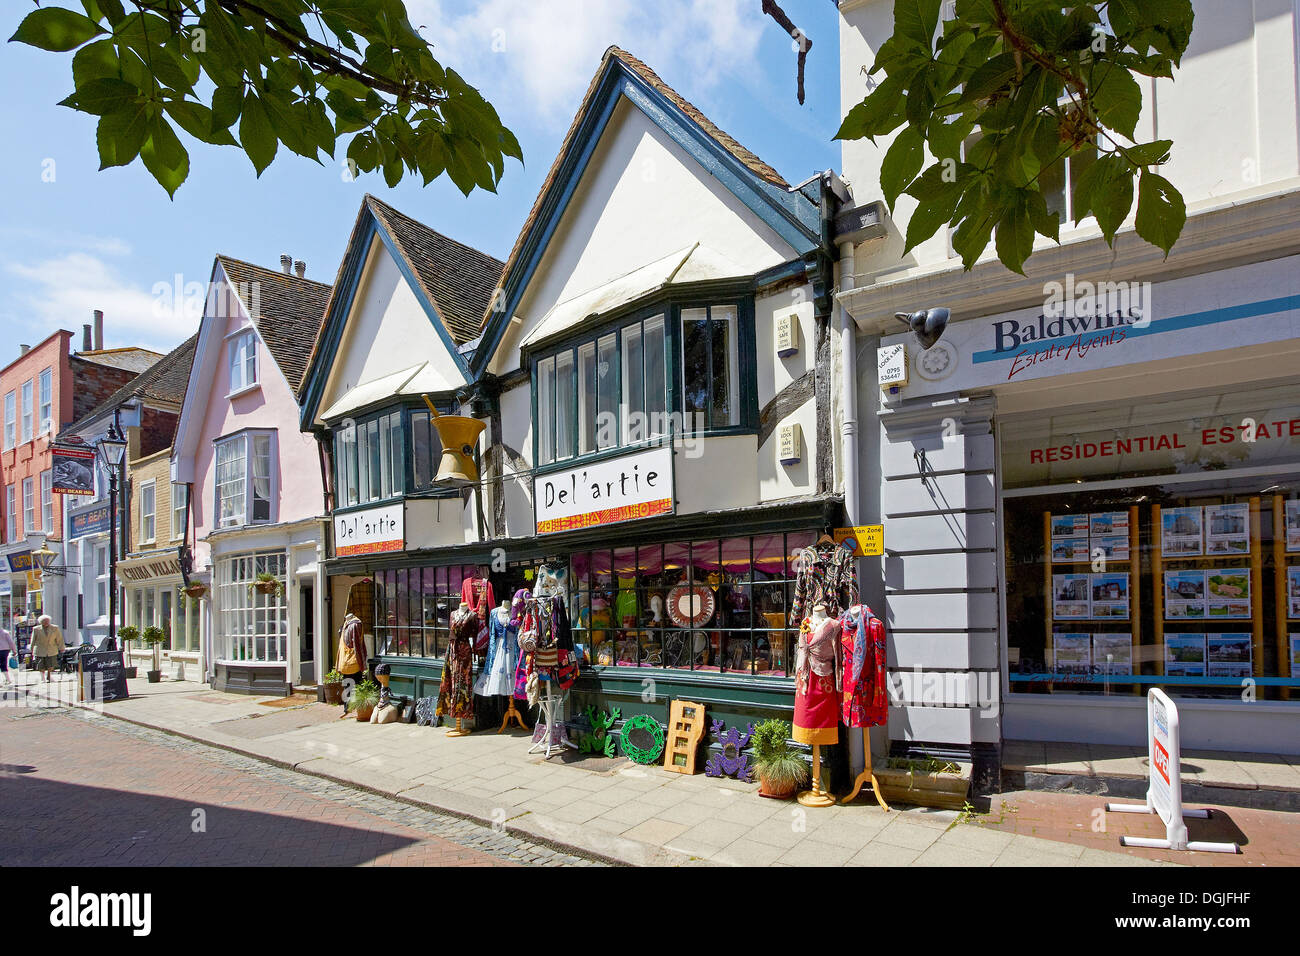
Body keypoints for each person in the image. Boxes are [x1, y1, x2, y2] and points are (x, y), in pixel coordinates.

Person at [31, 614, 65, 684]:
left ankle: (49, 676)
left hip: (51, 649)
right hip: (40, 650)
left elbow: (59, 639)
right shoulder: (36, 629)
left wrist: (61, 647)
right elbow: (33, 640)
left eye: (48, 621)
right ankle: (42, 677)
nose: (46, 622)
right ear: (41, 622)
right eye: (44, 621)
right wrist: (31, 649)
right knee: (41, 665)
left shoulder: (55, 628)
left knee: (51, 664)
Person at [0, 621, 15, 686]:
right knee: (4, 664)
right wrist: (14, 650)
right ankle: (8, 679)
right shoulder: (5, 632)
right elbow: (11, 642)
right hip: (5, 650)